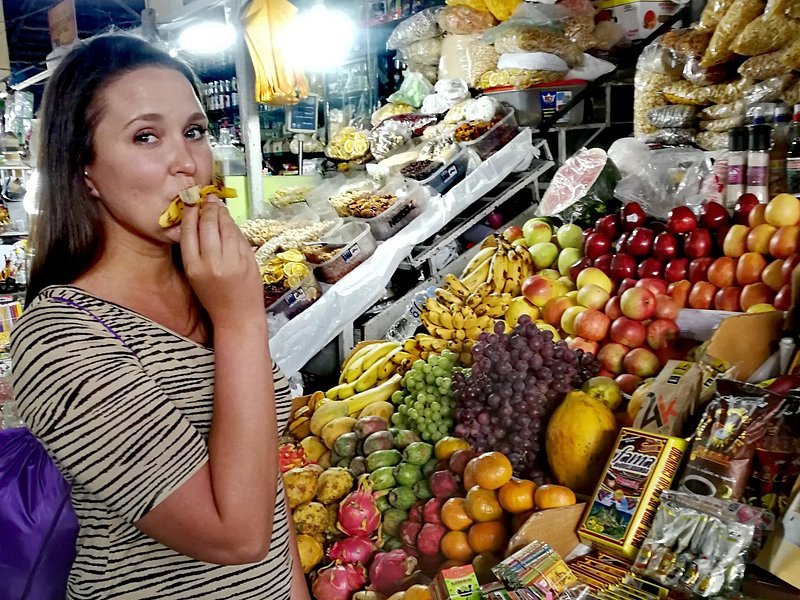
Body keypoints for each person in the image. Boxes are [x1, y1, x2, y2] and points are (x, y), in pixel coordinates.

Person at [11, 34, 309, 599]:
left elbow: (264, 497)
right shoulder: (59, 338)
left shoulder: (203, 286)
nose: (188, 164)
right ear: (84, 172)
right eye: (146, 136)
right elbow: (235, 536)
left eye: (194, 132)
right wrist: (242, 320)